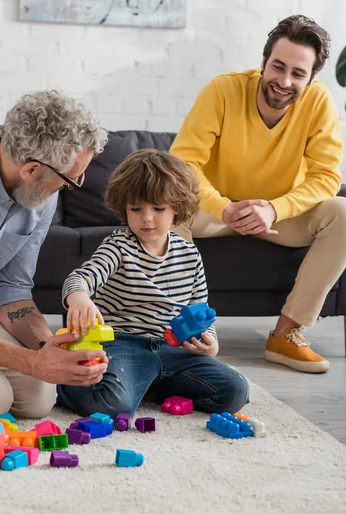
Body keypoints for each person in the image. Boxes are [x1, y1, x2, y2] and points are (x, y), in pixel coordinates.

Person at [170, 14, 346, 374]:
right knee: (166, 206)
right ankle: (178, 331)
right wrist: (223, 207)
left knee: (343, 213)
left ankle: (286, 334)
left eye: (298, 74)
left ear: (311, 79)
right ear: (263, 62)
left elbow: (326, 175)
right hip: (215, 212)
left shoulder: (319, 103)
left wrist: (274, 209)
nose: (284, 81)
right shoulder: (222, 90)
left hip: (279, 217)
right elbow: (183, 163)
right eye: (277, 67)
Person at [0, 90, 109, 425]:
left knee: (39, 397)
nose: (73, 185)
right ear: (32, 169)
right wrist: (31, 361)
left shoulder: (38, 191)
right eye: (69, 180)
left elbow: (12, 289)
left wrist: (53, 348)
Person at [56, 149, 249, 417]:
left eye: (158, 209)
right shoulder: (118, 246)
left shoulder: (190, 254)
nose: (147, 218)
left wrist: (211, 344)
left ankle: (147, 386)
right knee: (112, 405)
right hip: (123, 346)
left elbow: (201, 311)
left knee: (236, 390)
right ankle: (65, 384)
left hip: (173, 352)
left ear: (177, 209)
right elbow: (81, 278)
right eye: (136, 209)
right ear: (124, 207)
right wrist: (78, 297)